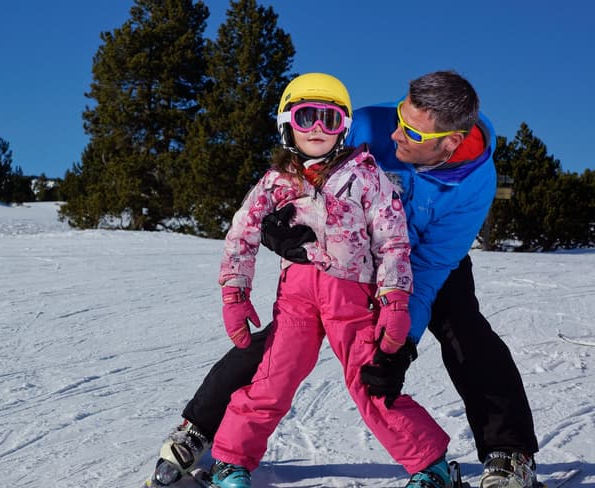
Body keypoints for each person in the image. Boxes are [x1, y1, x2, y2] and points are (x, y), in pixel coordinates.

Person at [147, 71, 539, 488]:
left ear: (451, 142)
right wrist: (279, 230)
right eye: (399, 116)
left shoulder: (475, 185)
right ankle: (199, 427)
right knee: (281, 342)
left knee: (464, 333)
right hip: (339, 259)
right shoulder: (369, 126)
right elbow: (301, 169)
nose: (395, 134)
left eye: (411, 132)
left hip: (421, 263)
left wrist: (400, 342)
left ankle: (508, 452)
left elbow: (428, 268)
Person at [214, 72, 451, 488]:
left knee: (371, 380)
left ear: (344, 126)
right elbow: (242, 234)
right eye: (308, 118)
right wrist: (235, 292)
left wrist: (395, 301)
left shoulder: (366, 175)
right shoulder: (276, 182)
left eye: (331, 119)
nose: (319, 129)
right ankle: (231, 461)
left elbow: (392, 240)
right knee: (273, 379)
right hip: (297, 300)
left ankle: (430, 464)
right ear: (287, 124)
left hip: (353, 297)